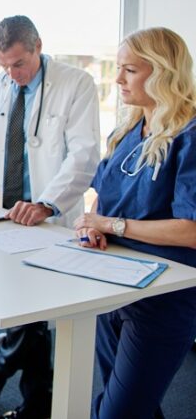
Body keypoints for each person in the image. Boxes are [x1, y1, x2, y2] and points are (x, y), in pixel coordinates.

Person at [0, 15, 100, 419]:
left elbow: (83, 156)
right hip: (7, 216)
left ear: (38, 46)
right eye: (4, 65)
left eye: (18, 64)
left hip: (51, 218)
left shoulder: (76, 84)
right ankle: (10, 356)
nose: (12, 73)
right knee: (22, 303)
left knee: (46, 310)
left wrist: (46, 203)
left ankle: (31, 399)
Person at [74, 27, 196, 419]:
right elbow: (101, 201)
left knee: (117, 412)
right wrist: (89, 226)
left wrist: (112, 225)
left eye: (129, 70)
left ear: (163, 72)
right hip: (113, 283)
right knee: (131, 403)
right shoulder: (127, 129)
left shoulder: (189, 136)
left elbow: (191, 231)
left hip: (163, 296)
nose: (117, 79)